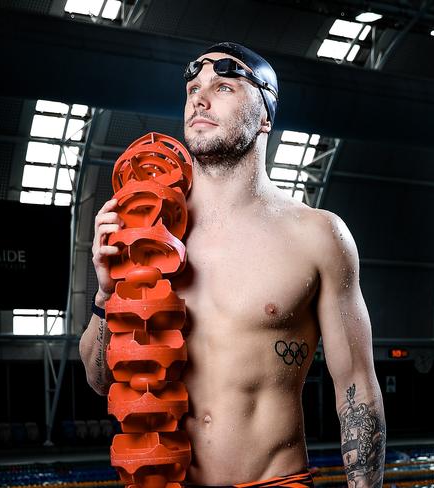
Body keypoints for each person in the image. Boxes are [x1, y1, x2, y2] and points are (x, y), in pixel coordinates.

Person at [79, 41, 386, 488]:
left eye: (223, 87)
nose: (199, 99)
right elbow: (101, 381)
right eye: (192, 89)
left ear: (265, 117)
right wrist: (106, 294)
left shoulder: (317, 235)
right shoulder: (148, 233)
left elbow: (357, 389)